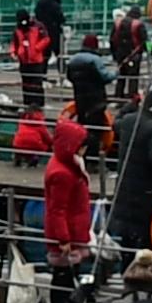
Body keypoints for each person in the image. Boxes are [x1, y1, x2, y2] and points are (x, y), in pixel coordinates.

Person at [111, 86, 152, 256]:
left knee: (128, 241)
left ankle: (127, 273)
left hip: (124, 190)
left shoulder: (128, 121)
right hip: (146, 193)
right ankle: (145, 276)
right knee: (147, 241)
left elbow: (115, 122)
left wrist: (130, 105)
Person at [41, 115, 97, 275]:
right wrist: (63, 239)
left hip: (74, 228)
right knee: (64, 276)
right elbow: (57, 210)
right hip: (69, 232)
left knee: (67, 274)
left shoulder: (66, 164)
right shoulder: (63, 173)